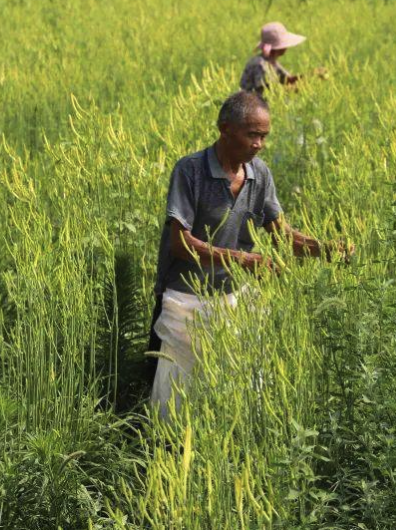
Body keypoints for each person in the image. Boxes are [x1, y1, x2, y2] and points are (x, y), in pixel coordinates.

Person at [147, 90, 353, 420]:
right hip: (187, 299)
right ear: (225, 129)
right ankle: (171, 449)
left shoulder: (260, 174)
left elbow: (283, 235)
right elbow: (180, 243)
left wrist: (324, 249)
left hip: (233, 299)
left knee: (233, 390)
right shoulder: (190, 171)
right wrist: (244, 260)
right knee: (180, 398)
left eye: (264, 136)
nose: (259, 144)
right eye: (252, 134)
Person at [240, 22, 305, 94]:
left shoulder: (272, 61)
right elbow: (268, 91)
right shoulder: (260, 64)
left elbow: (288, 80)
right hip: (252, 103)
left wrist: (310, 76)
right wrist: (297, 89)